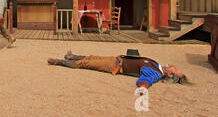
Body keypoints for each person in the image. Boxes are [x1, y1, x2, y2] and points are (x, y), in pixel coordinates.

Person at [47, 50, 188, 91]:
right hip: (117, 59)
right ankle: (71, 56)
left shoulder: (155, 73)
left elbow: (145, 81)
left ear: (169, 74)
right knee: (93, 56)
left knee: (87, 63)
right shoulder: (156, 65)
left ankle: (60, 62)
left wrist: (143, 88)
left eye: (175, 70)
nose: (174, 66)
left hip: (116, 66)